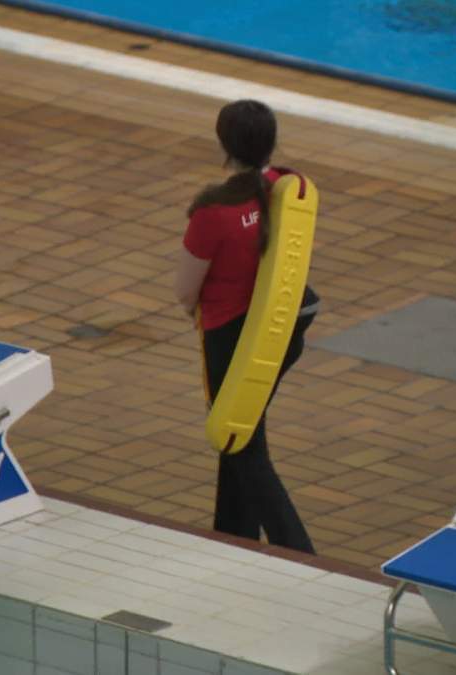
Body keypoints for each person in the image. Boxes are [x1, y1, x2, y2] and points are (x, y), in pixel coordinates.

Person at [174, 99, 318, 555]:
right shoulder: (288, 188)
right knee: (241, 427)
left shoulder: (212, 212)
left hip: (232, 337)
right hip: (285, 328)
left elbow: (184, 291)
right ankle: (233, 534)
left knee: (239, 438)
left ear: (224, 145)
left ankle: (298, 551)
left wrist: (196, 313)